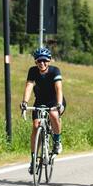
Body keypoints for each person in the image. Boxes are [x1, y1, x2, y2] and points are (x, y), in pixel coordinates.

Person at [20, 46, 65, 174]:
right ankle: (33, 159)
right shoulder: (32, 71)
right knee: (35, 126)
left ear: (49, 61)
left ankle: (57, 141)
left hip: (55, 100)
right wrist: (25, 102)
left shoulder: (54, 71)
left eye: (45, 61)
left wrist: (59, 104)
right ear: (35, 62)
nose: (42, 63)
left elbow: (58, 89)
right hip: (40, 100)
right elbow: (29, 86)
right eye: (39, 61)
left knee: (53, 114)